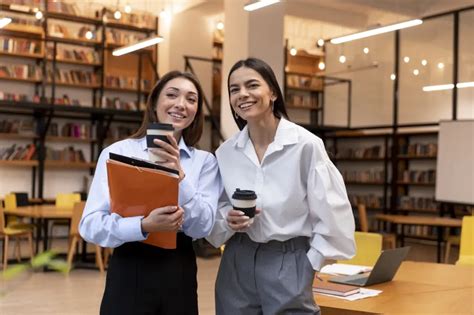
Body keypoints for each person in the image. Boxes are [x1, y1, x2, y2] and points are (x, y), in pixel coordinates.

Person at [206, 58, 355, 315]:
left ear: (272, 92)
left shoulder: (306, 145)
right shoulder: (226, 152)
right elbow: (215, 210)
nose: (242, 94)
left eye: (252, 85)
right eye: (234, 89)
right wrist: (227, 220)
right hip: (236, 258)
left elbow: (333, 213)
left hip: (289, 258)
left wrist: (309, 265)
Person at [80, 71, 221, 315]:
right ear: (154, 104)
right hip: (129, 266)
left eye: (191, 99)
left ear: (196, 110)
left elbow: (203, 228)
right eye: (172, 95)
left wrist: (179, 176)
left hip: (180, 270)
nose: (181, 104)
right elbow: (90, 225)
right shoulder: (117, 152)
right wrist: (143, 225)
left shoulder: (205, 162)